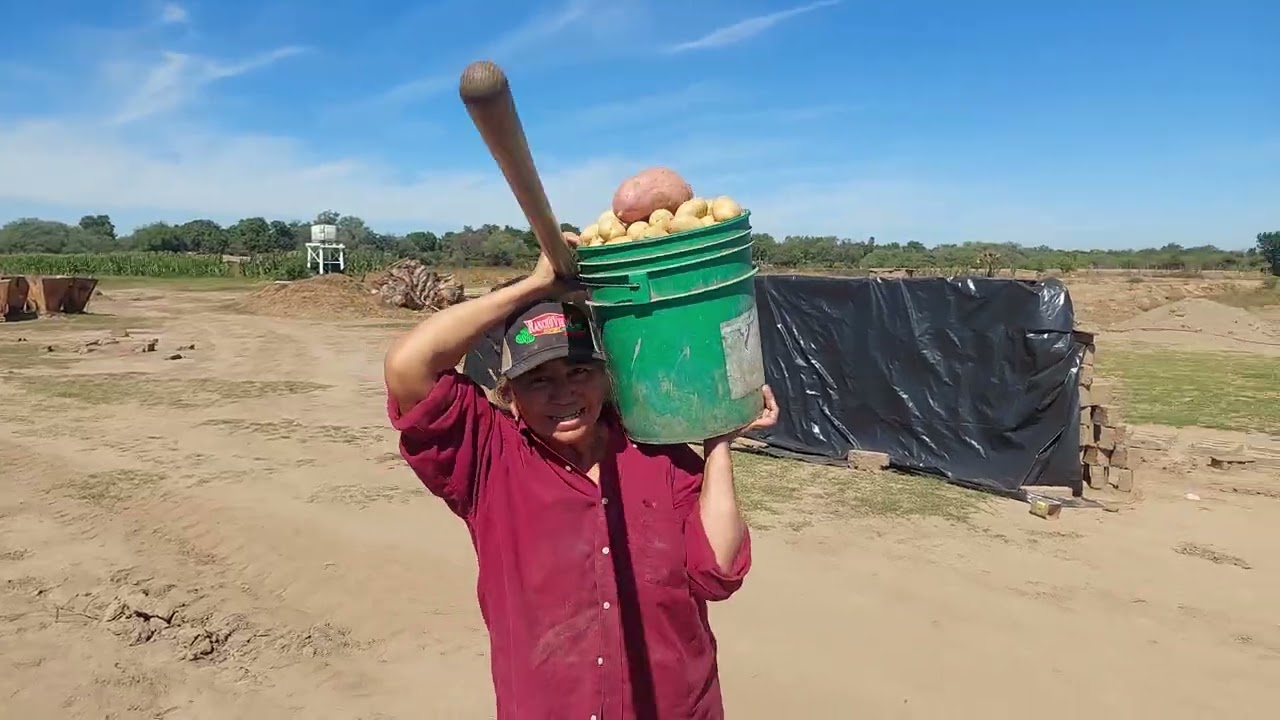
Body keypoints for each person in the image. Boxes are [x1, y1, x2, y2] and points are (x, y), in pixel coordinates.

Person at [383, 234, 778, 719]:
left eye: (578, 372)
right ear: (509, 395)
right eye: (539, 379)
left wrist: (719, 441)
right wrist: (532, 287)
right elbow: (407, 366)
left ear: (607, 377)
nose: (564, 394)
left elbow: (716, 573)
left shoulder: (657, 458)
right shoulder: (489, 459)